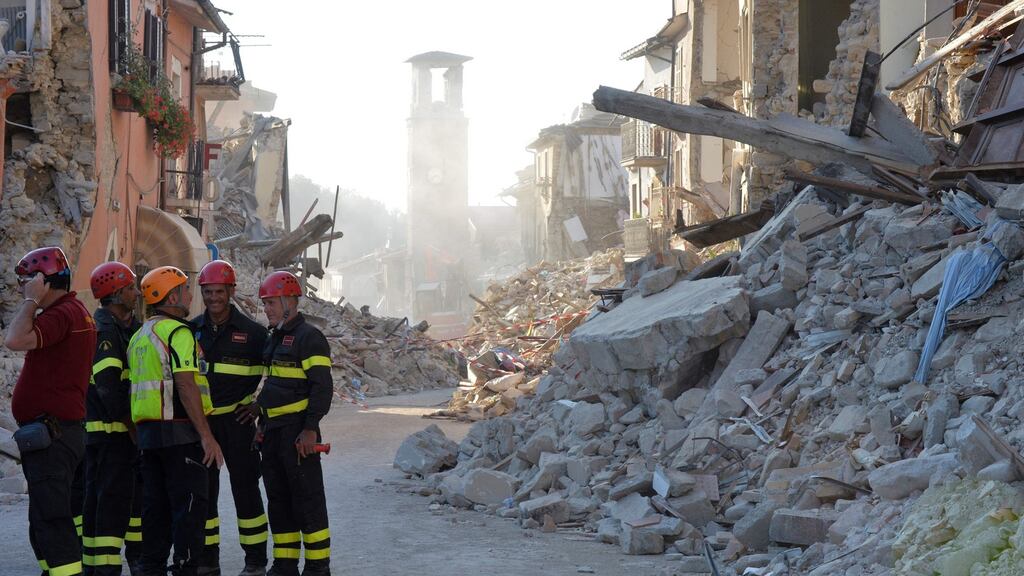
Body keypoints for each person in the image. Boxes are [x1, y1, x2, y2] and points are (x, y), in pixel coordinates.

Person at [4, 246, 96, 576]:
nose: (21, 288)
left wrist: (30, 300)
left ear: (43, 280)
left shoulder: (61, 314)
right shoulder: (73, 311)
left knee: (52, 519)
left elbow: (14, 340)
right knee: (45, 516)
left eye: (26, 282)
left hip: (53, 436)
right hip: (58, 432)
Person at [128, 266, 224, 576]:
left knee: (155, 509)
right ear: (171, 296)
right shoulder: (178, 332)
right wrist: (207, 436)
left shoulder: (139, 335)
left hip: (149, 437)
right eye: (185, 289)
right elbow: (186, 384)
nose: (190, 294)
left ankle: (150, 568)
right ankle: (185, 568)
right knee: (190, 510)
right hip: (180, 435)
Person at [192, 261, 269, 576]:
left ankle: (255, 562)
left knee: (246, 490)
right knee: (203, 494)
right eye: (208, 292)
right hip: (203, 425)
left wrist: (260, 406)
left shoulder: (254, 333)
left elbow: (280, 374)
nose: (213, 298)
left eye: (219, 292)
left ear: (231, 292)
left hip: (238, 423)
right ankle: (208, 561)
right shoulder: (191, 330)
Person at [256, 272, 331, 576]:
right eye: (264, 304)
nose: (267, 309)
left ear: (290, 301)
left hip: (298, 433)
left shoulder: (310, 338)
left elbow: (322, 388)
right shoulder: (275, 337)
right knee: (279, 501)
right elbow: (274, 385)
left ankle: (317, 567)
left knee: (307, 501)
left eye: (271, 302)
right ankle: (285, 565)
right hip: (274, 433)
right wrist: (262, 422)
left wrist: (310, 428)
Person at [82, 262, 143, 576]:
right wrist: (132, 426)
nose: (137, 292)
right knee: (111, 504)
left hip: (109, 433)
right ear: (117, 294)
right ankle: (105, 569)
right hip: (112, 433)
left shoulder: (125, 326)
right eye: (131, 288)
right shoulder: (105, 330)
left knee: (101, 500)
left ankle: (95, 566)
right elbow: (108, 386)